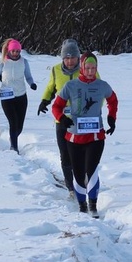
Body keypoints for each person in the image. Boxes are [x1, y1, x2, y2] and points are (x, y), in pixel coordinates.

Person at [51, 52, 118, 217]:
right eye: (87, 68)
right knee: (79, 173)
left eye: (93, 68)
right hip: (74, 138)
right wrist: (62, 119)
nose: (90, 71)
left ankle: (93, 205)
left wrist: (111, 117)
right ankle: (82, 206)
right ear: (82, 68)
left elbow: (113, 100)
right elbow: (56, 106)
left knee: (92, 169)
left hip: (96, 137)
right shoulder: (71, 86)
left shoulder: (102, 85)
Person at [37, 39, 89, 196]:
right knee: (65, 153)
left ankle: (83, 181)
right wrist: (44, 101)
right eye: (66, 58)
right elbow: (50, 88)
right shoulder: (55, 70)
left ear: (78, 58)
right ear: (62, 59)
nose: (70, 61)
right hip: (61, 118)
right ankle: (71, 188)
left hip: (82, 119)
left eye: (73, 57)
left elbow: (97, 90)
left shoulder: (87, 69)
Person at [0, 38, 37, 153]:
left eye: (18, 51)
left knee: (19, 126)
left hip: (21, 96)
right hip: (7, 96)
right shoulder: (2, 62)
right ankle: (14, 147)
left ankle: (13, 138)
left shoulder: (24, 62)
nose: (16, 53)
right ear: (9, 51)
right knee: (13, 122)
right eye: (14, 51)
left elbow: (28, 76)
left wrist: (32, 84)